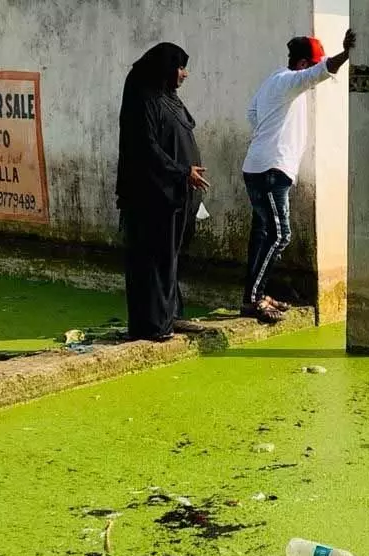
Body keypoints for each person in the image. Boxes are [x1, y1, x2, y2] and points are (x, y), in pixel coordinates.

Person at [241, 30, 356, 323]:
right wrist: (346, 54)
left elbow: (252, 112)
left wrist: (268, 134)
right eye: (312, 65)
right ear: (303, 64)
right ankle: (254, 300)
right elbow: (321, 72)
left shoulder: (275, 81)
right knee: (280, 236)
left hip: (263, 166)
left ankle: (256, 294)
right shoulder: (290, 81)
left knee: (263, 234)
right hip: (270, 171)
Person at [115, 42, 209, 341]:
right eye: (179, 68)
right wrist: (182, 171)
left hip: (175, 194)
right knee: (152, 260)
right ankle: (152, 326)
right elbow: (146, 148)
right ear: (164, 69)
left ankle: (170, 317)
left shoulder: (167, 97)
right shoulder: (142, 99)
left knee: (169, 258)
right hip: (150, 196)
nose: (185, 74)